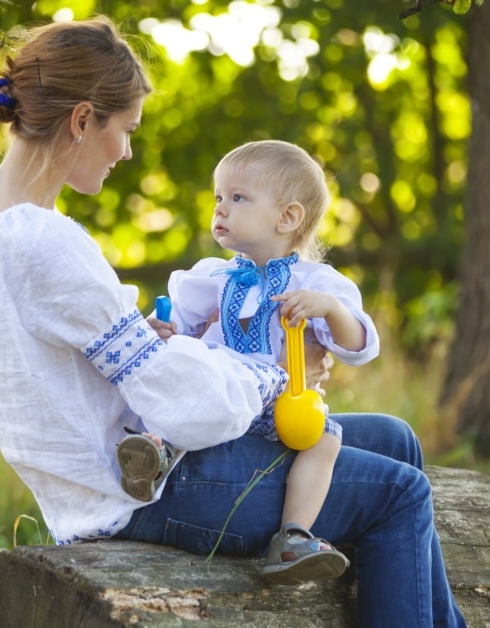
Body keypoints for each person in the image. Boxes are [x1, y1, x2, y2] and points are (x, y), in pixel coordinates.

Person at [0, 16, 485, 628]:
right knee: (401, 491)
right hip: (143, 488)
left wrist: (149, 337)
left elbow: (88, 351)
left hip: (105, 472)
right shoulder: (43, 240)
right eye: (127, 131)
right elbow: (189, 406)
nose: (126, 153)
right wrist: (275, 376)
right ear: (84, 120)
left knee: (396, 438)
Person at [125, 139, 379, 585]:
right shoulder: (213, 275)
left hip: (277, 404)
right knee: (188, 379)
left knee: (325, 440)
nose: (221, 209)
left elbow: (359, 345)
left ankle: (293, 535)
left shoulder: (315, 282)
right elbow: (175, 327)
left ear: (288, 217)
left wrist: (331, 310)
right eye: (219, 197)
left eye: (238, 198)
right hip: (222, 389)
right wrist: (159, 327)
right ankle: (154, 452)